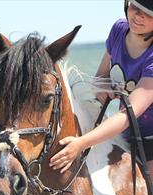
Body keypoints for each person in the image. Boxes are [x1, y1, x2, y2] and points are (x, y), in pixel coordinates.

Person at [49, 0, 153, 182]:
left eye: (148, 13)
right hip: (127, 134)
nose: (138, 15)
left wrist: (81, 143)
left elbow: (128, 114)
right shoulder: (119, 30)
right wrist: (103, 89)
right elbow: (100, 79)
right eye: (135, 7)